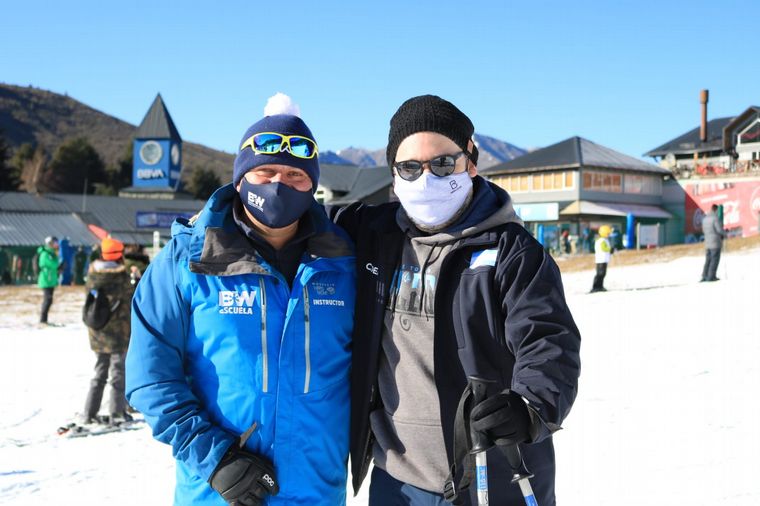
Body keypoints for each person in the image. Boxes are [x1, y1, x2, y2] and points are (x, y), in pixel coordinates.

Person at [330, 95, 581, 505]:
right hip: (398, 482)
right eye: (410, 168)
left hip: (495, 474)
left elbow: (548, 340)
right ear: (394, 175)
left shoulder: (513, 252)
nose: (426, 178)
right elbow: (292, 221)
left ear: (471, 162)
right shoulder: (373, 234)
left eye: (443, 163)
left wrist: (529, 406)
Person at [126, 97, 356, 506]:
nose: (279, 184)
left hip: (318, 491)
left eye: (295, 174)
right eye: (265, 171)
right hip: (220, 492)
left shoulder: (345, 261)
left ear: (312, 185)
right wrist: (215, 459)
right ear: (240, 179)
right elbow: (150, 376)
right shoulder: (187, 258)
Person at [81, 237, 134, 424]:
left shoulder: (93, 275)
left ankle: (89, 413)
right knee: (118, 373)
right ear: (119, 255)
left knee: (100, 373)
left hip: (97, 331)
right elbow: (131, 297)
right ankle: (117, 412)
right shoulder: (120, 277)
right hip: (118, 332)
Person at [37, 235, 61, 324]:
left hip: (50, 280)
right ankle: (43, 320)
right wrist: (58, 263)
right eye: (54, 243)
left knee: (49, 300)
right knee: (47, 300)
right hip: (46, 280)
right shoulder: (46, 254)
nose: (56, 245)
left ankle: (44, 319)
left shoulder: (51, 253)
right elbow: (53, 264)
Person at [700, 204, 725, 282]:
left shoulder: (705, 219)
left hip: (707, 243)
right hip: (715, 242)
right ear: (716, 210)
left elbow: (703, 230)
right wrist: (725, 233)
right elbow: (719, 230)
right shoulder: (715, 218)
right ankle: (711, 276)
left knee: (708, 260)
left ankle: (704, 275)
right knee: (714, 260)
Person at [590, 225, 613, 293]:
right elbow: (603, 248)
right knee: (599, 274)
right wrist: (610, 249)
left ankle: (600, 286)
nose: (609, 235)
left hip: (604, 260)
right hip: (601, 260)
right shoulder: (601, 240)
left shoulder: (604, 240)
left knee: (603, 274)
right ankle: (595, 287)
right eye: (608, 233)